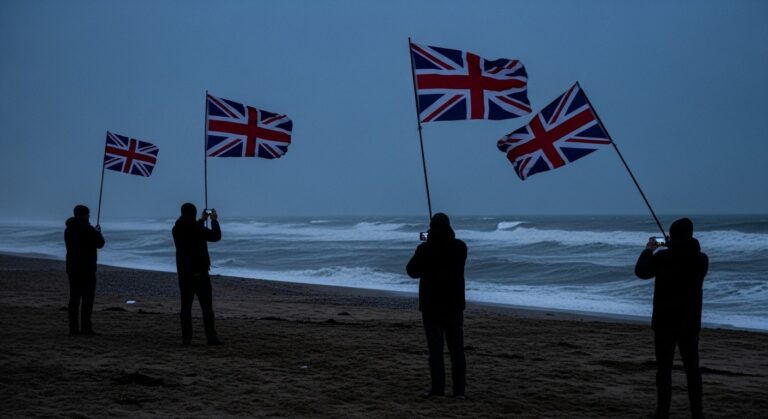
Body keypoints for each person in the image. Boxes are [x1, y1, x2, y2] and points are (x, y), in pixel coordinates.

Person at [635, 218, 709, 419]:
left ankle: (663, 412)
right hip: (690, 323)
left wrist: (650, 248)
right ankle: (697, 413)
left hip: (664, 321)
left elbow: (641, 271)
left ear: (673, 235)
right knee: (692, 369)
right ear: (691, 235)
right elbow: (685, 252)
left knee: (664, 369)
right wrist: (672, 243)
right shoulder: (702, 260)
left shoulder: (662, 258)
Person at [406, 213, 468, 399]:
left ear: (432, 228)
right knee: (457, 350)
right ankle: (459, 392)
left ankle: (438, 390)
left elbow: (411, 271)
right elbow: (446, 240)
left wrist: (428, 237)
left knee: (436, 350)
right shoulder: (460, 247)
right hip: (454, 305)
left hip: (431, 306)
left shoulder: (425, 248)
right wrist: (432, 237)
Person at [172, 203, 223, 345]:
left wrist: (201, 221)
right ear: (193, 214)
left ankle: (186, 339)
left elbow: (191, 230)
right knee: (207, 308)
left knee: (185, 309)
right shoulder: (198, 229)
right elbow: (215, 236)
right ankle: (211, 338)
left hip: (184, 275)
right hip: (200, 274)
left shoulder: (176, 229)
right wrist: (213, 220)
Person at [64, 204, 105, 336]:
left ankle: (73, 329)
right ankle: (86, 328)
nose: (89, 216)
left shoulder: (68, 229)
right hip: (87, 269)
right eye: (87, 214)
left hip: (72, 268)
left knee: (74, 299)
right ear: (84, 215)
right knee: (87, 299)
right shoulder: (88, 229)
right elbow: (100, 243)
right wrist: (98, 232)